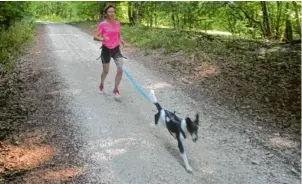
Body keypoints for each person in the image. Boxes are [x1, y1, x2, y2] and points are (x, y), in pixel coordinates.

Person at [94, 4, 125, 97]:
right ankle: (101, 85)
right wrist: (102, 39)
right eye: (109, 12)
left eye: (113, 11)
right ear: (106, 13)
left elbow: (118, 33)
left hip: (116, 49)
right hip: (106, 50)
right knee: (106, 71)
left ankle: (116, 90)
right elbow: (95, 36)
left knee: (120, 70)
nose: (112, 13)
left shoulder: (117, 23)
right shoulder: (102, 24)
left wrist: (121, 39)